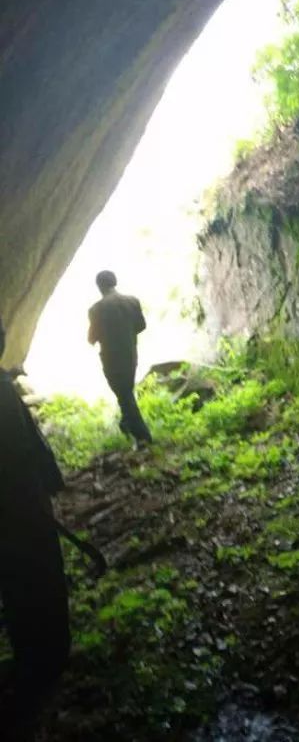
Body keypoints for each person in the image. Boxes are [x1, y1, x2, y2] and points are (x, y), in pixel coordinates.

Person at [0, 316, 71, 741]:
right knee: (38, 581)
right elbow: (31, 448)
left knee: (21, 586)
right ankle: (46, 657)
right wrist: (48, 485)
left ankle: (36, 660)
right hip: (24, 510)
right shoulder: (3, 391)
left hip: (15, 513)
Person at [87, 270, 152, 445]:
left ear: (99, 286)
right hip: (131, 354)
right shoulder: (132, 301)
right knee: (126, 392)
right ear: (115, 282)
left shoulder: (96, 309)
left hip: (110, 359)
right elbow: (141, 325)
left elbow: (91, 339)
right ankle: (126, 424)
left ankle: (143, 436)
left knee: (124, 395)